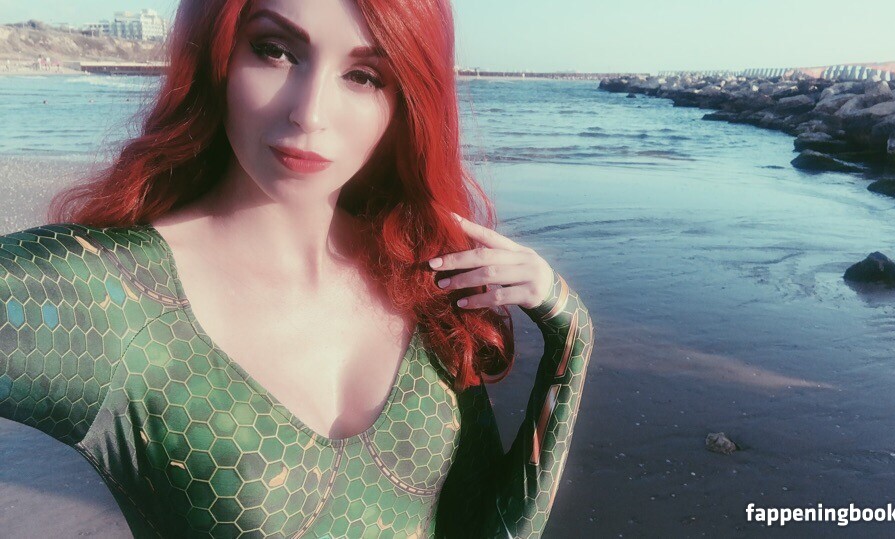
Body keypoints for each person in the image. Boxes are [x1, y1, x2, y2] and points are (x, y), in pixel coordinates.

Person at [0, 0, 594, 537]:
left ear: (405, 102)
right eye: (275, 50)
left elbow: (481, 528)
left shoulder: (418, 276)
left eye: (364, 75)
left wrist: (570, 335)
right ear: (216, 53)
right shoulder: (114, 299)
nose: (310, 113)